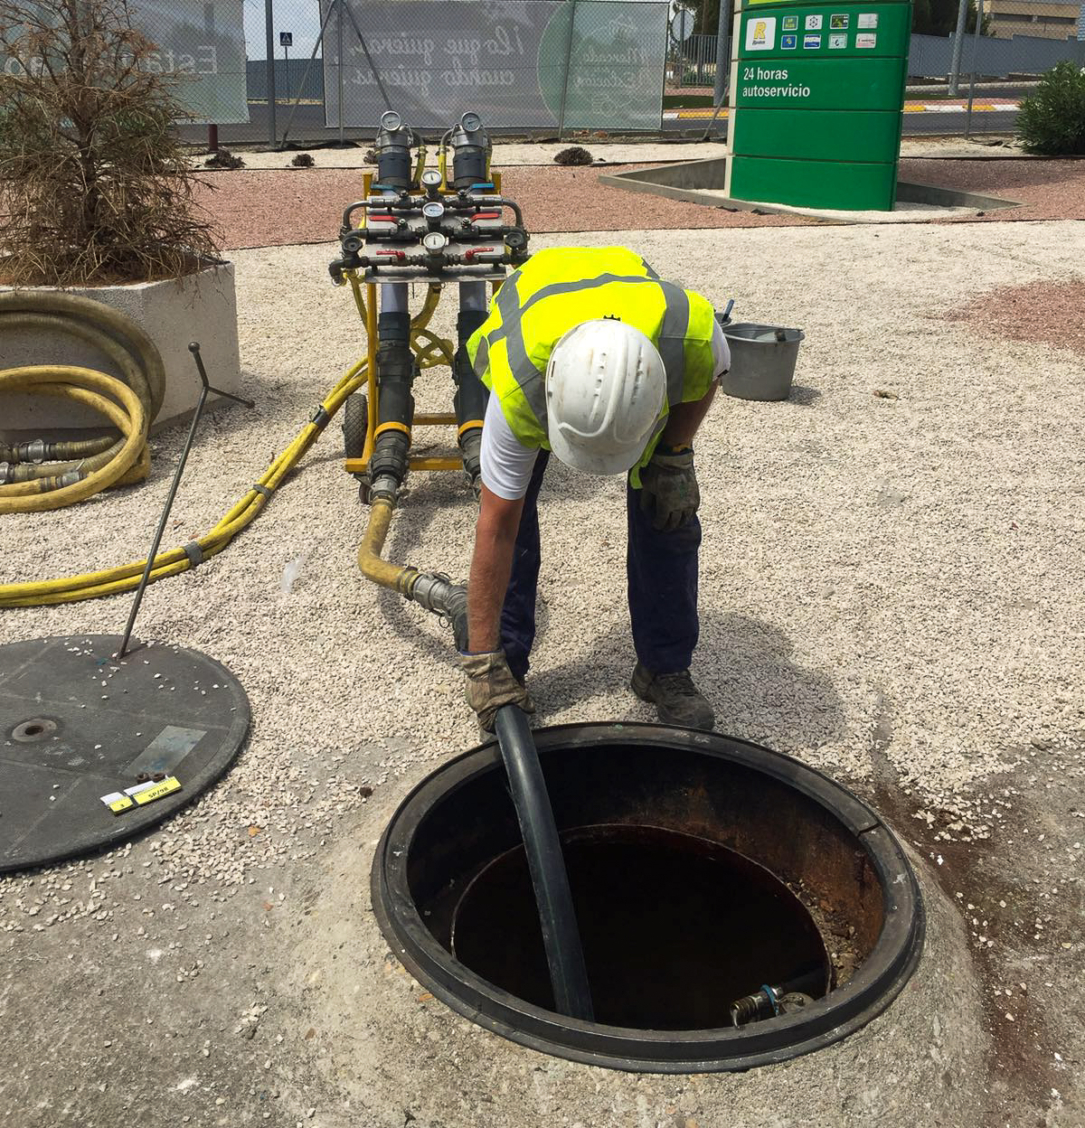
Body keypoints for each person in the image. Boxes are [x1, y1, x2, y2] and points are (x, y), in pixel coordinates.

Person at [457, 246, 729, 733]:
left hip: (631, 316)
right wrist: (480, 660)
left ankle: (664, 668)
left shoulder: (690, 335)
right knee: (514, 526)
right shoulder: (519, 387)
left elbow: (710, 374)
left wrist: (675, 453)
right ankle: (503, 667)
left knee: (669, 514)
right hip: (541, 311)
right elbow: (495, 529)